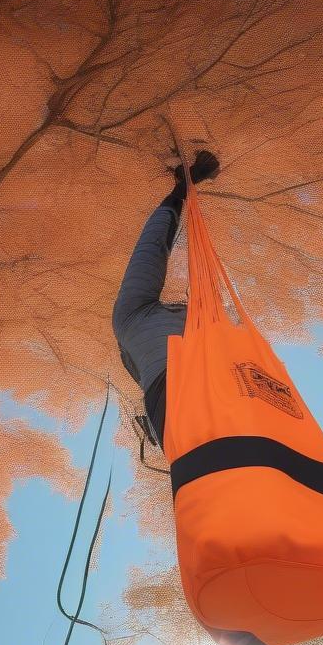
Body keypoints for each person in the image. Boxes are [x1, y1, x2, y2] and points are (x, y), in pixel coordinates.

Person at [112, 150, 220, 449]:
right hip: (177, 391)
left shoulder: (132, 320)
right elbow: (151, 247)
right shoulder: (129, 323)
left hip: (181, 398)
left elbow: (151, 249)